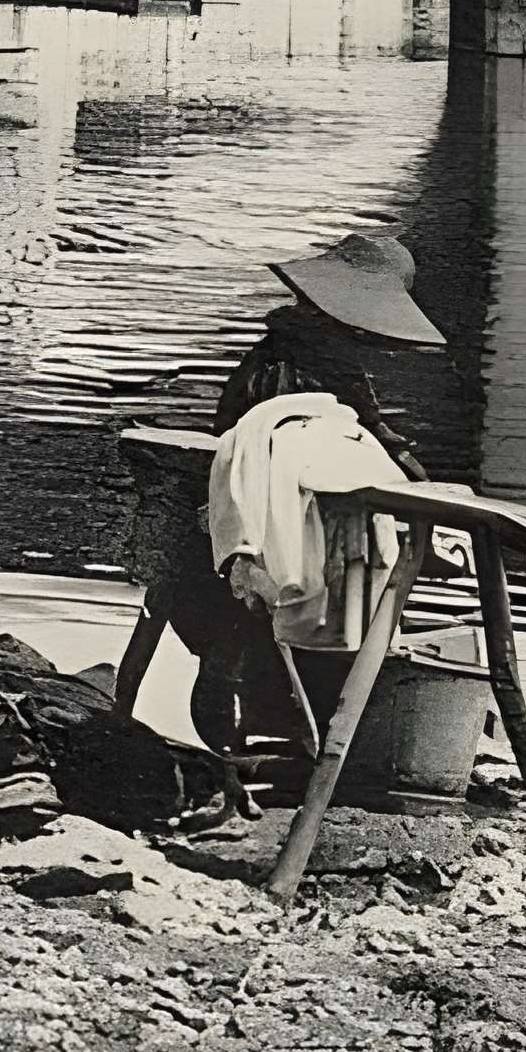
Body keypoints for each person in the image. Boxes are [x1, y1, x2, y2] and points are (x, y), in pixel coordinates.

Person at [115, 232, 441, 763]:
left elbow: (366, 427)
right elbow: (356, 433)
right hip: (289, 510)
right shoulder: (309, 366)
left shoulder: (284, 350)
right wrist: (408, 470)